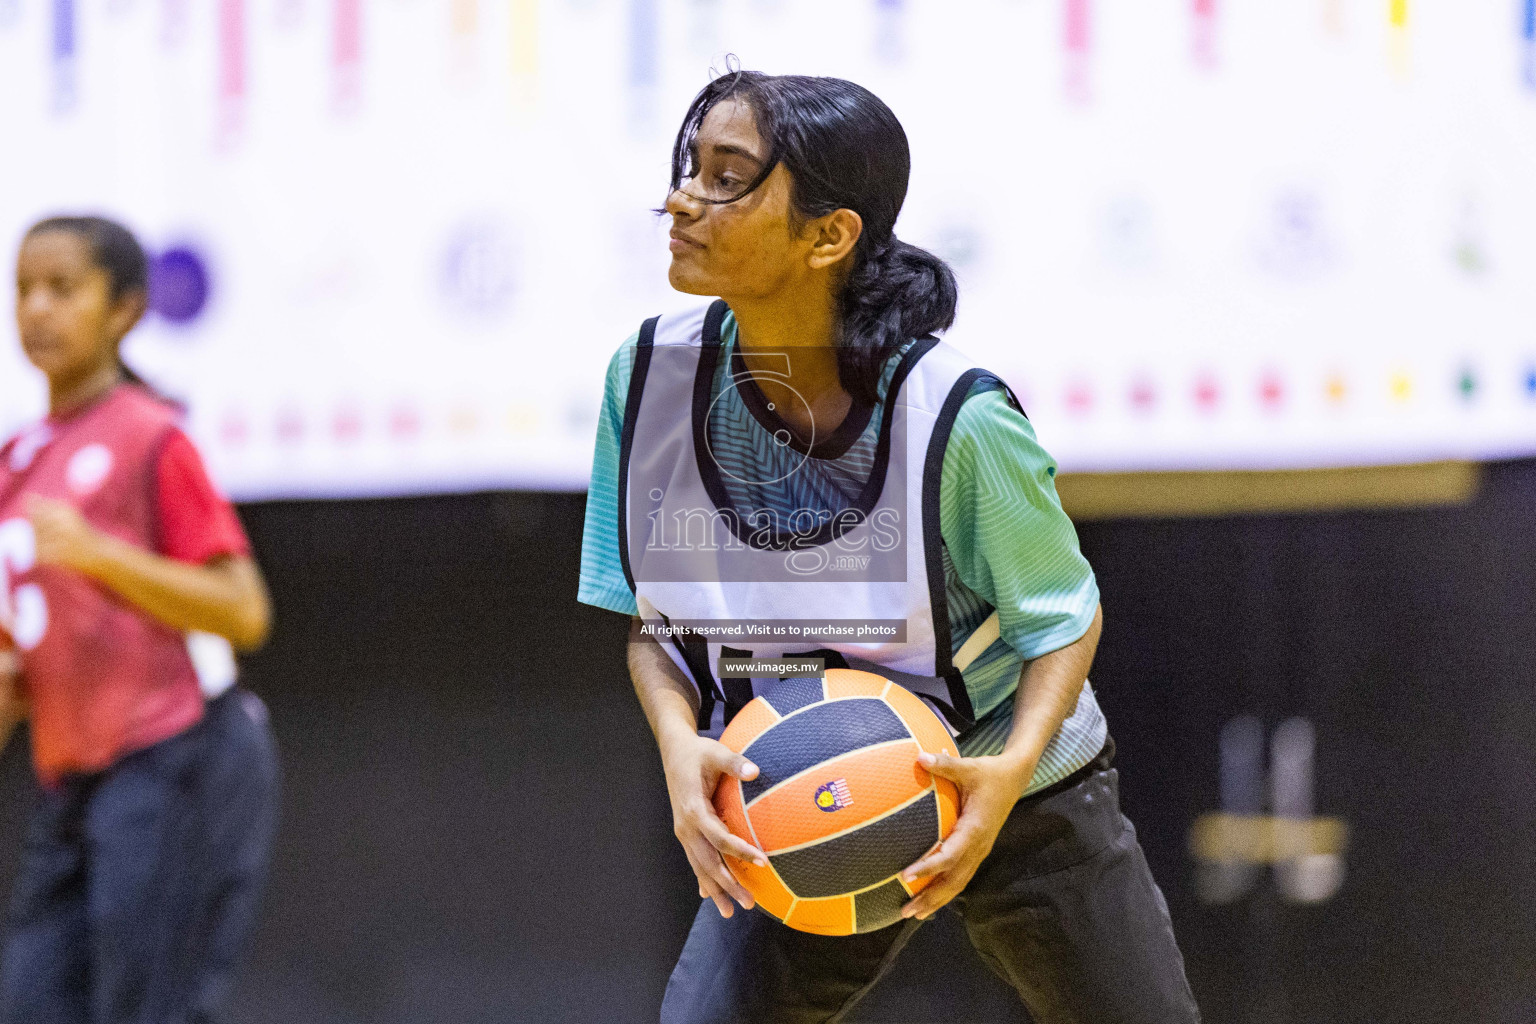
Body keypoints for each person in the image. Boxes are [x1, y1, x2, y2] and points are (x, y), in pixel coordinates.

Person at [576, 71, 1202, 1023]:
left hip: (1005, 774)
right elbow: (653, 628)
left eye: (727, 177)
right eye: (688, 169)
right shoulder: (653, 378)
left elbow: (1065, 621)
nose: (682, 199)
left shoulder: (957, 415)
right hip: (798, 781)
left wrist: (1001, 783)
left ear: (830, 236)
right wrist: (676, 743)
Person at [0, 216, 280, 1024]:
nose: (37, 310)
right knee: (33, 1002)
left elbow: (244, 610)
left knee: (147, 1008)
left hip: (177, 755)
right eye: (23, 289)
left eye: (63, 288)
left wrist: (100, 554)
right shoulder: (20, 460)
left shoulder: (150, 434)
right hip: (74, 781)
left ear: (123, 309)